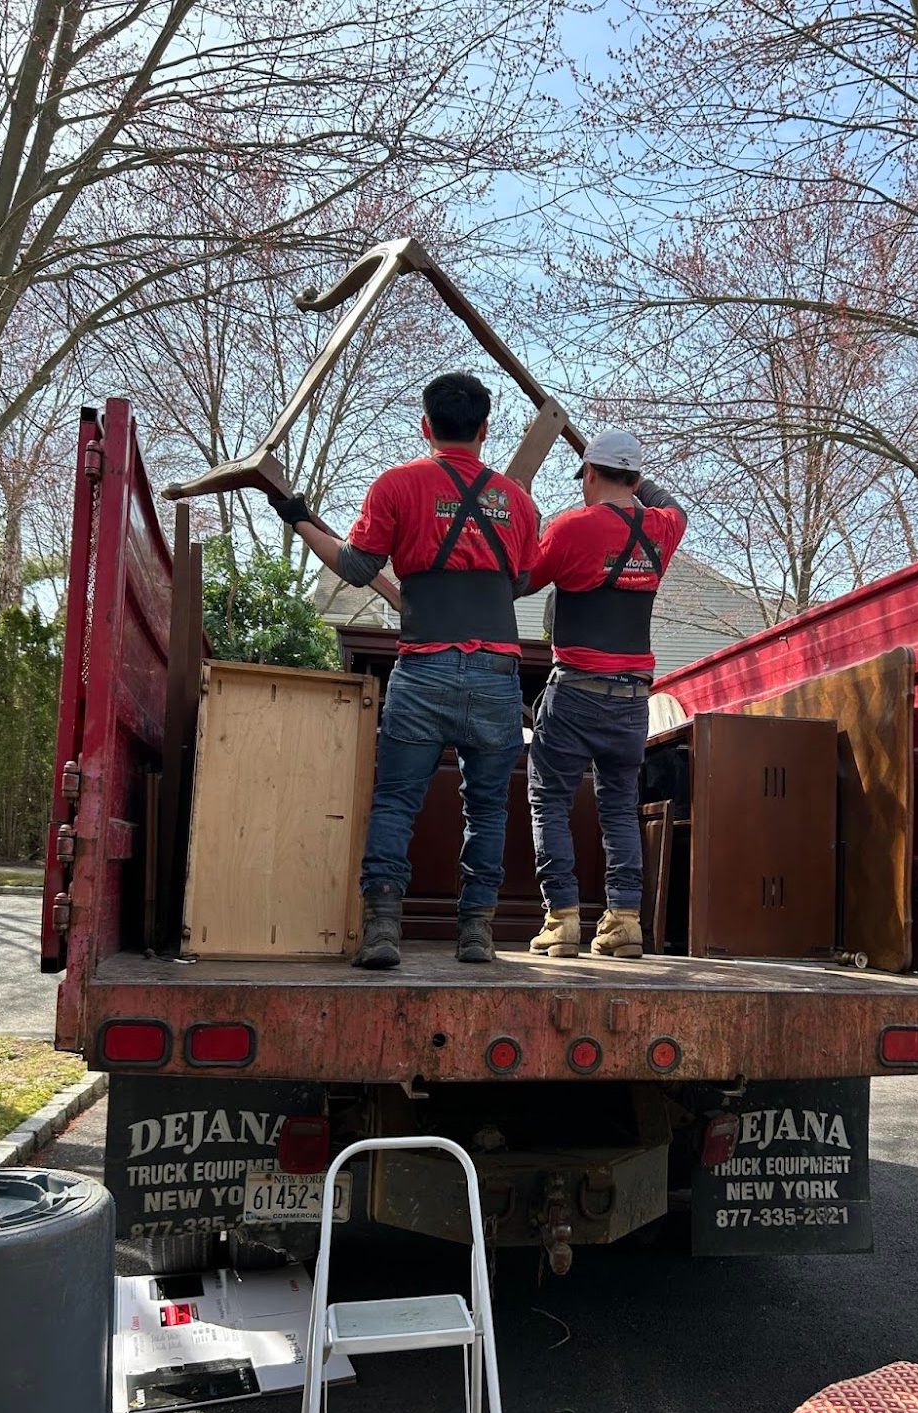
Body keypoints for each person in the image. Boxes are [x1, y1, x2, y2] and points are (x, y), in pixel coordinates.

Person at [270, 372, 539, 970]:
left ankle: (383, 930)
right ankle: (476, 933)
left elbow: (359, 566)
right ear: (484, 429)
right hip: (496, 671)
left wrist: (300, 519)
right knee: (488, 809)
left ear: (426, 425)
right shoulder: (517, 502)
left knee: (395, 804)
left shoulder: (398, 485)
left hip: (424, 669)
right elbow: (520, 579)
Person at [525, 428, 686, 959]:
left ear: (590, 473)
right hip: (632, 701)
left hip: (574, 691)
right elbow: (670, 504)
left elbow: (521, 580)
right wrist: (637, 480)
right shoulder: (663, 529)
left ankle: (562, 920)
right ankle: (624, 922)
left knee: (549, 799)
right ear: (635, 478)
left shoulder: (572, 527)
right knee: (619, 807)